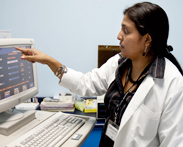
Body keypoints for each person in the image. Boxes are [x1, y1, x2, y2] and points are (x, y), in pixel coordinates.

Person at [15, 2, 183, 147]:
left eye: (126, 31)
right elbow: (86, 83)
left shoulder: (172, 84)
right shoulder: (119, 63)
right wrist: (49, 61)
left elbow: (174, 142)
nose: (119, 36)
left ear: (147, 40)